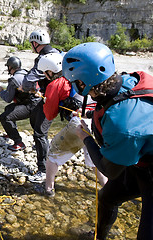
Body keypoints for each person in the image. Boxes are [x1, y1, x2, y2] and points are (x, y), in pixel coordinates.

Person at [63, 42, 153, 240]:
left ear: (83, 84)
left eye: (74, 81)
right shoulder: (127, 80)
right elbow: (116, 101)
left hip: (148, 168)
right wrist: (90, 113)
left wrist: (85, 137)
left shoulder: (124, 127)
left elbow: (109, 169)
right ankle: (99, 237)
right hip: (139, 159)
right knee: (106, 197)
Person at [36, 53, 107, 197]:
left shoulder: (55, 84)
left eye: (45, 72)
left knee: (53, 153)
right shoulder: (78, 76)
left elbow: (50, 115)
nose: (44, 75)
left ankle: (48, 189)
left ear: (50, 71)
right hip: (98, 119)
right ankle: (109, 189)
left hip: (79, 121)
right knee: (96, 158)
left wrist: (46, 101)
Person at [20, 29, 61, 183]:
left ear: (36, 43)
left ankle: (43, 169)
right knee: (35, 119)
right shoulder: (58, 52)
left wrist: (27, 88)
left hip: (50, 98)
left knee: (40, 132)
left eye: (32, 44)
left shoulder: (44, 58)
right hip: (55, 96)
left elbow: (27, 81)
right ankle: (43, 149)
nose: (31, 46)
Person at [0, 56, 31, 151]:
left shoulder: (13, 79)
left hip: (29, 106)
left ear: (11, 67)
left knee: (4, 117)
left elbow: (8, 98)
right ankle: (11, 133)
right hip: (32, 104)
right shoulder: (26, 73)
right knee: (8, 109)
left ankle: (19, 142)